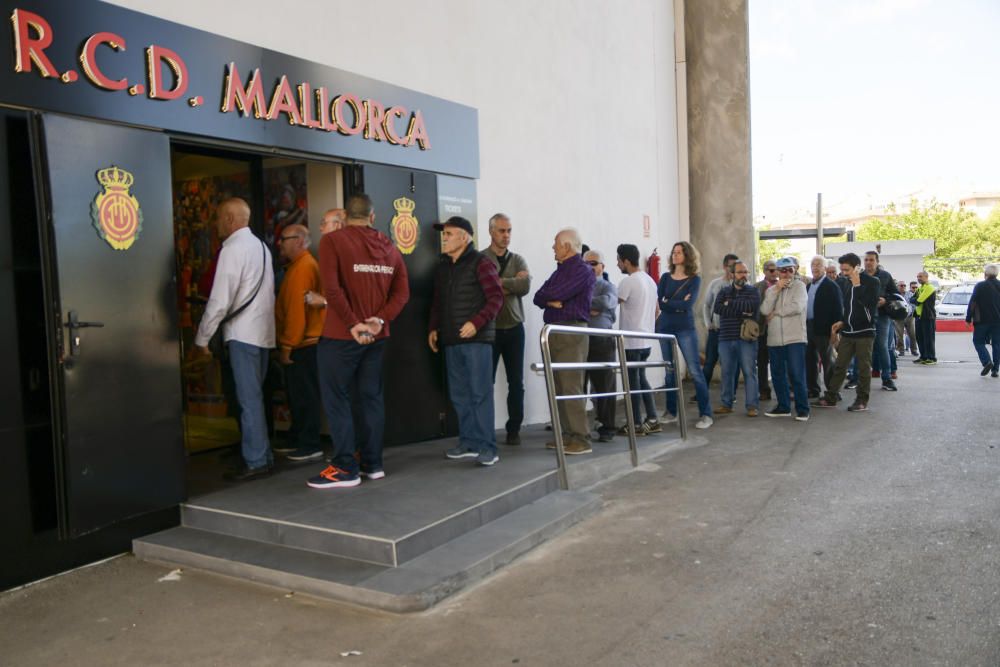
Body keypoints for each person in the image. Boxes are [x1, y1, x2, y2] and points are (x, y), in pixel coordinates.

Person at [307, 193, 410, 489]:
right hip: (375, 337)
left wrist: (354, 324)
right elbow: (402, 294)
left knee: (337, 398)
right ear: (373, 217)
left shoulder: (333, 242)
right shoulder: (390, 246)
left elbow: (332, 290)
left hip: (341, 336)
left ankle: (344, 467)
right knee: (370, 399)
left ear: (345, 217)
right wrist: (377, 321)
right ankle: (372, 463)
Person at [192, 198, 276, 481]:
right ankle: (262, 455)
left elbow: (219, 301)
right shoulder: (262, 248)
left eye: (217, 218)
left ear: (229, 219)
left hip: (243, 335)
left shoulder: (232, 250)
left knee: (248, 400)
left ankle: (255, 461)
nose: (215, 224)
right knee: (256, 398)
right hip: (264, 333)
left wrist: (202, 339)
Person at [429, 217, 504, 466]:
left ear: (465, 237)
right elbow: (438, 301)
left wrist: (476, 322)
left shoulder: (481, 263)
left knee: (480, 394)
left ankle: (488, 448)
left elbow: (496, 298)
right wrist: (433, 328)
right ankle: (469, 442)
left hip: (477, 340)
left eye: (449, 234)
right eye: (444, 234)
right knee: (460, 395)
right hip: (452, 339)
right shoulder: (444, 266)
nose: (445, 238)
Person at [533, 228, 596, 455]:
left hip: (571, 332)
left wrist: (552, 297)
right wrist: (552, 301)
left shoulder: (583, 270)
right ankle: (567, 436)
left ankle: (581, 438)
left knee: (571, 385)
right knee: (557, 385)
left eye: (556, 244)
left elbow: (559, 291)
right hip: (553, 332)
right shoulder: (559, 270)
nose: (553, 248)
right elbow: (538, 296)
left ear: (567, 247)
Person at [274, 224, 324, 463]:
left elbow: (296, 312)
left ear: (299, 241)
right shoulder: (298, 266)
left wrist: (287, 346)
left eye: (284, 239)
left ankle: (309, 443)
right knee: (299, 396)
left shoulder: (303, 268)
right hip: (304, 343)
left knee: (305, 396)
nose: (280, 243)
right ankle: (299, 438)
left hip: (303, 345)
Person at [482, 213, 531, 446]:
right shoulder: (481, 259)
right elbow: (481, 289)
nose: (506, 235)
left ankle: (514, 430)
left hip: (514, 328)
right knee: (485, 382)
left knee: (516, 382)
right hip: (488, 329)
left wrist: (499, 283)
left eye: (509, 230)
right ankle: (485, 429)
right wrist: (512, 282)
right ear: (491, 231)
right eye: (502, 230)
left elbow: (525, 285)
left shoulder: (518, 259)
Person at [656, 242, 713, 429]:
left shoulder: (694, 280)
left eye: (679, 252)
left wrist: (671, 302)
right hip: (665, 327)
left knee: (695, 370)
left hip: (685, 328)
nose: (675, 255)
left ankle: (706, 414)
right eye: (673, 252)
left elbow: (688, 306)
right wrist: (677, 302)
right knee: (669, 371)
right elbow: (661, 304)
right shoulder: (665, 277)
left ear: (687, 256)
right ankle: (671, 412)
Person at [813, 253, 879, 412]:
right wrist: (842, 322)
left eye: (847, 269)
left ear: (857, 267)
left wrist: (858, 286)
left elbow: (869, 306)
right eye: (842, 269)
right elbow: (848, 307)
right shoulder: (845, 282)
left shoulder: (872, 282)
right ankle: (831, 397)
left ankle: (862, 400)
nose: (843, 273)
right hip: (848, 332)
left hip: (865, 332)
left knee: (863, 368)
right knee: (839, 366)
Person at [616, 244, 661, 436]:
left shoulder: (629, 281)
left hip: (632, 341)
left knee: (632, 383)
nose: (617, 264)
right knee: (641, 380)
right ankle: (652, 419)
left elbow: (611, 304)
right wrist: (645, 323)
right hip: (646, 340)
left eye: (618, 260)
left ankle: (634, 424)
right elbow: (657, 311)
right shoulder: (649, 281)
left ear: (626, 261)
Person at [760, 256, 809, 421]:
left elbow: (797, 306)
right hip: (774, 339)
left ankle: (803, 409)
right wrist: (776, 290)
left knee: (796, 374)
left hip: (795, 338)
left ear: (795, 270)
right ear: (778, 272)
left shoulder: (800, 286)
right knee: (777, 374)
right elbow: (765, 309)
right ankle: (783, 406)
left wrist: (777, 312)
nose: (787, 273)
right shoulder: (771, 289)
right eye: (783, 270)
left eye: (790, 269)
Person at [713, 259, 760, 416]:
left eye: (746, 272)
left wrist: (730, 303)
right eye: (740, 272)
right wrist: (739, 308)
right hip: (726, 338)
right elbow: (718, 308)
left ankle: (752, 406)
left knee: (749, 371)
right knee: (727, 372)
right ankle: (726, 403)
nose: (744, 275)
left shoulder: (753, 291)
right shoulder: (723, 291)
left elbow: (751, 307)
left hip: (746, 339)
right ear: (732, 274)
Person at [584, 250, 618, 442]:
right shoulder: (577, 287)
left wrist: (585, 305)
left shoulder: (608, 287)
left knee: (604, 385)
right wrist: (592, 307)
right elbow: (572, 304)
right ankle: (578, 430)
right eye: (586, 263)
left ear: (602, 267)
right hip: (580, 341)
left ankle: (607, 427)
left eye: (594, 263)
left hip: (602, 341)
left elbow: (607, 302)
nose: (590, 267)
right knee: (578, 386)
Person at [805, 255, 843, 399]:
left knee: (828, 361)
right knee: (810, 360)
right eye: (813, 264)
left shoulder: (831, 286)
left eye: (818, 265)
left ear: (825, 268)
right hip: (809, 327)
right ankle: (813, 389)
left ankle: (833, 392)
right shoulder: (809, 285)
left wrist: (835, 331)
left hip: (825, 329)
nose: (815, 267)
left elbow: (838, 310)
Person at [863, 251, 899, 391]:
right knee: (862, 347)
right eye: (866, 260)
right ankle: (857, 378)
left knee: (882, 346)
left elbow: (895, 294)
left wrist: (885, 300)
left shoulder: (885, 275)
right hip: (864, 316)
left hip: (882, 316)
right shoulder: (860, 276)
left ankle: (887, 379)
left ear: (877, 261)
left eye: (871, 260)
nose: (868, 262)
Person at [702, 253, 739, 383]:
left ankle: (731, 394)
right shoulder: (715, 284)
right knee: (709, 362)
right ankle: (702, 392)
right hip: (716, 330)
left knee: (731, 365)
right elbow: (706, 305)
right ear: (724, 267)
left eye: (736, 266)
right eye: (731, 266)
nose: (733, 269)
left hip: (733, 332)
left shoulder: (741, 285)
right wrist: (708, 324)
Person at [966, 263, 1000, 377]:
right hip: (998, 321)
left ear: (985, 274)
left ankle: (987, 362)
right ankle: (995, 370)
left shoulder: (980, 286)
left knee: (978, 342)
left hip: (982, 321)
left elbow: (973, 303)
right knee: (997, 344)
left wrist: (968, 318)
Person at [755, 259, 779, 402]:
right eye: (771, 270)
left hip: (779, 330)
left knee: (779, 362)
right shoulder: (757, 287)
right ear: (764, 272)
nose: (775, 273)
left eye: (776, 270)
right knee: (762, 362)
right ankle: (764, 390)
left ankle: (783, 391)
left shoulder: (784, 285)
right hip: (762, 330)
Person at [912, 271, 937, 365]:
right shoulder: (920, 288)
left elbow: (918, 300)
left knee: (928, 338)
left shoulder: (929, 287)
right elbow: (912, 299)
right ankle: (923, 356)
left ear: (926, 277)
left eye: (920, 276)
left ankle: (931, 358)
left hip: (928, 316)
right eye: (917, 276)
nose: (918, 278)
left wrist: (916, 299)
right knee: (919, 338)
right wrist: (915, 299)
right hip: (919, 316)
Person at [894, 280, 918, 357]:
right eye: (901, 285)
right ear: (897, 286)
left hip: (909, 317)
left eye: (904, 285)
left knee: (912, 334)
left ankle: (914, 350)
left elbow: (914, 304)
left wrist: (912, 313)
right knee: (899, 335)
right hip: (898, 318)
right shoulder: (895, 295)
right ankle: (901, 350)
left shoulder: (910, 294)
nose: (903, 287)